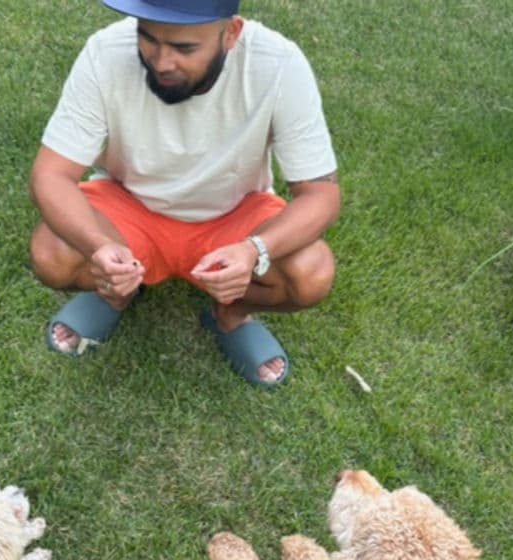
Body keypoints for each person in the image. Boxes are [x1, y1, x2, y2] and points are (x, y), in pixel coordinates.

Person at [29, 0, 339, 387]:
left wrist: (254, 250)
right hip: (129, 202)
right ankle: (115, 292)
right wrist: (98, 246)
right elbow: (51, 175)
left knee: (311, 274)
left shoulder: (278, 64)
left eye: (184, 48)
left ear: (231, 33)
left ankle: (230, 314)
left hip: (233, 214)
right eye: (148, 38)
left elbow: (321, 194)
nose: (161, 62)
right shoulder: (105, 51)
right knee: (51, 255)